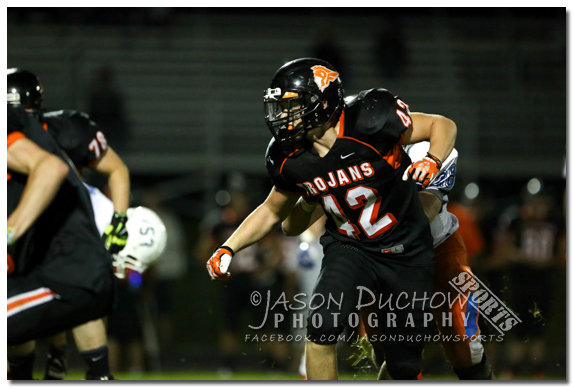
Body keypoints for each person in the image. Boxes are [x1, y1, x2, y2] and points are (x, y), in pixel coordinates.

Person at [207, 57, 456, 380]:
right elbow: (272, 211)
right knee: (321, 328)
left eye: (291, 106)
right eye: (279, 107)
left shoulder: (371, 119)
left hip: (406, 247)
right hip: (349, 246)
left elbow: (442, 124)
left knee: (403, 366)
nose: (282, 116)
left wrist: (433, 160)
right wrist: (228, 248)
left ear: (322, 103)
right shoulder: (289, 156)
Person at [8, 68, 130, 380]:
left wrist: (118, 220)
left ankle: (75, 364)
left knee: (76, 287)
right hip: (35, 243)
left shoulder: (65, 130)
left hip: (68, 236)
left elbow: (115, 170)